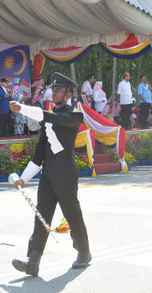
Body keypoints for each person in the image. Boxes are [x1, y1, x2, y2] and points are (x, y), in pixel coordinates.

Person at [9, 72, 91, 276]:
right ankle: (33, 260)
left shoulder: (73, 116)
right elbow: (39, 154)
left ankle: (84, 251)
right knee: (41, 216)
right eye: (53, 90)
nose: (54, 93)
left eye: (59, 90)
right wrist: (23, 178)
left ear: (68, 93)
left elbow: (52, 117)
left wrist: (23, 109)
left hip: (66, 173)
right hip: (48, 175)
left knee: (72, 213)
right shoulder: (48, 119)